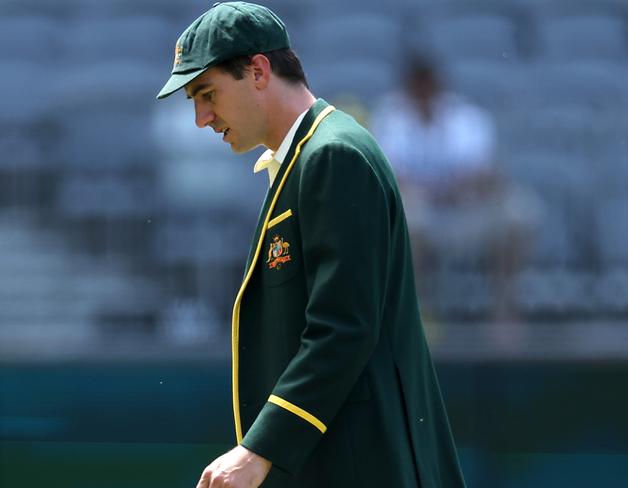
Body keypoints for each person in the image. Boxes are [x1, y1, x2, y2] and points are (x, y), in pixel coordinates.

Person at [156, 3, 466, 487]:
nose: (201, 117)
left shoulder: (332, 155)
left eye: (207, 93)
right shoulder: (310, 155)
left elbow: (343, 329)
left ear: (258, 70)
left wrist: (260, 449)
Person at [370, 56, 538, 327]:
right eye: (417, 84)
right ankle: (415, 316)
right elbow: (389, 177)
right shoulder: (391, 116)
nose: (423, 91)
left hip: (467, 213)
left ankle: (505, 313)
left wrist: (452, 188)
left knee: (518, 214)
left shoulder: (466, 117)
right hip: (420, 214)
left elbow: (485, 175)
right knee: (405, 217)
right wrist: (435, 188)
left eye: (428, 83)